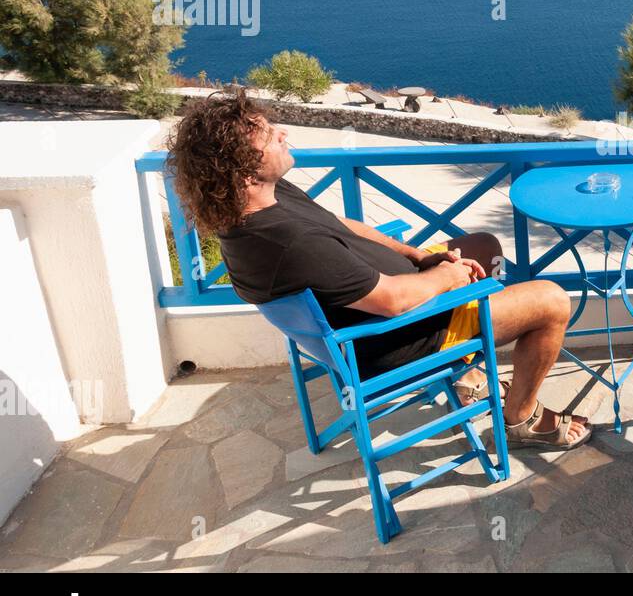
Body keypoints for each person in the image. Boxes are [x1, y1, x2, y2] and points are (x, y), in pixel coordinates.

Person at [165, 91, 590, 450]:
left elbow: (341, 225)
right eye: (267, 136)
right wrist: (448, 279)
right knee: (551, 301)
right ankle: (519, 419)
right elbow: (392, 302)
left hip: (394, 299)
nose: (282, 132)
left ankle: (473, 366)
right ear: (241, 171)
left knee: (485, 245)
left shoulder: (254, 206)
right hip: (404, 334)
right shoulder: (289, 242)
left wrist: (419, 256)